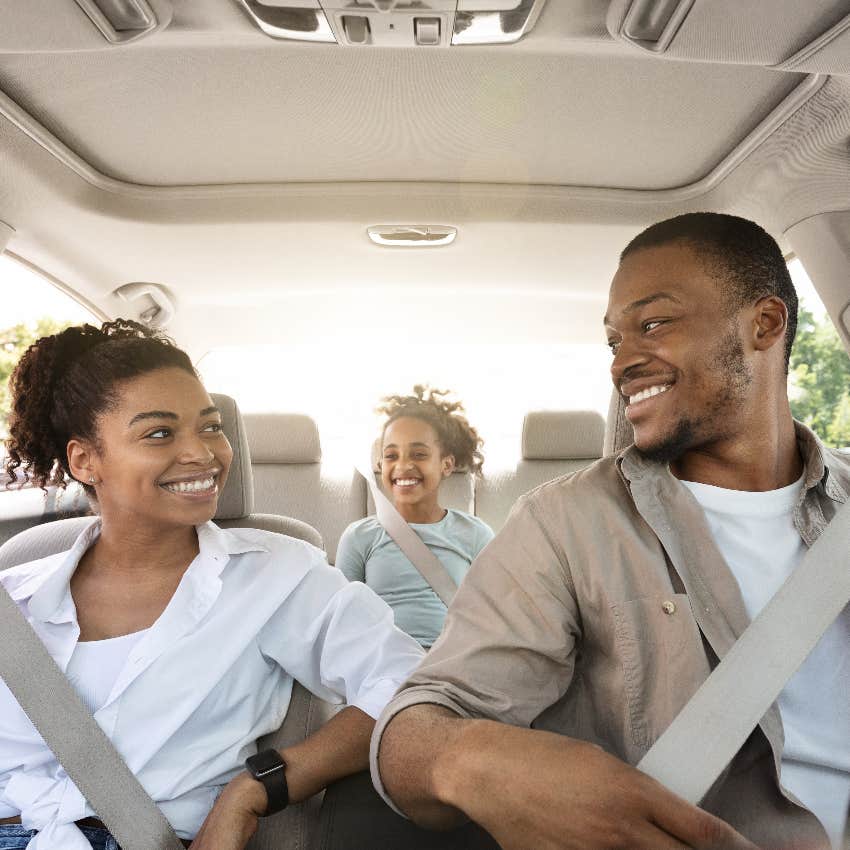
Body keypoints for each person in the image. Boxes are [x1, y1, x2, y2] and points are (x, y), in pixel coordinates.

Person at [370, 213, 850, 850]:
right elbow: (413, 727)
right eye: (613, 341)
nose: (623, 361)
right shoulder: (564, 524)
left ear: (764, 324)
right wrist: (475, 760)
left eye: (653, 324)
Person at [0, 320, 425, 850]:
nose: (202, 453)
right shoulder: (13, 593)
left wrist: (256, 787)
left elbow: (408, 680)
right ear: (85, 460)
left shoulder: (276, 574)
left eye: (210, 426)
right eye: (160, 433)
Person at [335, 386, 494, 647]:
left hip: (452, 665)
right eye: (391, 456)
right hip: (381, 663)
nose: (403, 466)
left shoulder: (476, 535)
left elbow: (494, 619)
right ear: (380, 466)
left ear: (447, 464)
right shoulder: (360, 537)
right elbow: (341, 621)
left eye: (419, 454)